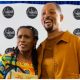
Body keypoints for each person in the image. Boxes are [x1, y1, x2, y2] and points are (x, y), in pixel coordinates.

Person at [37, 2, 80, 79]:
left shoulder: (76, 42)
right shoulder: (40, 48)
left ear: (61, 17)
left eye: (52, 12)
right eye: (43, 14)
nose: (46, 15)